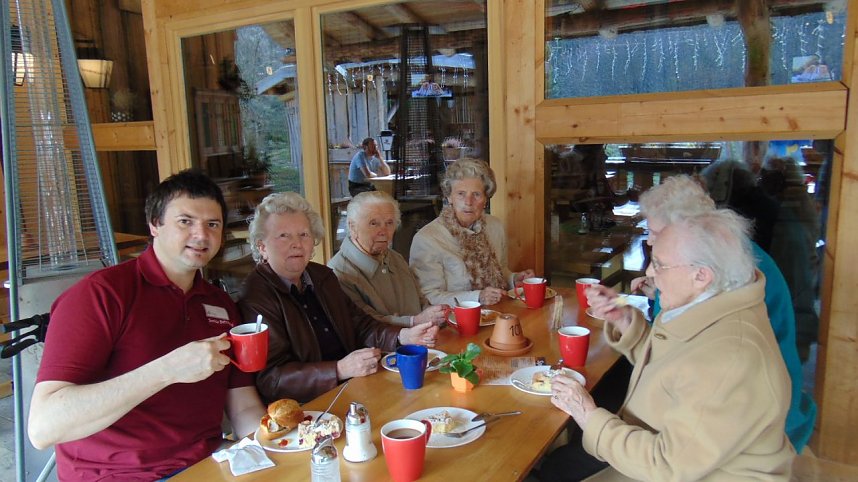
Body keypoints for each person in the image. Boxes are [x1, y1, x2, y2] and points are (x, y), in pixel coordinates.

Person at [28, 170, 265, 481]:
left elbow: (243, 405)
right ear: (155, 224)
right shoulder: (101, 295)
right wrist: (167, 370)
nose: (201, 235)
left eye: (213, 224)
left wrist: (274, 443)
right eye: (185, 221)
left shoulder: (221, 304)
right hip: (118, 474)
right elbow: (43, 427)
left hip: (207, 464)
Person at [542, 210, 795, 481]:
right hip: (659, 444)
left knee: (557, 464)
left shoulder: (730, 358)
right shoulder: (710, 304)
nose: (650, 272)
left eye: (660, 264)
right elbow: (674, 366)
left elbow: (666, 466)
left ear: (701, 275)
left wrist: (587, 413)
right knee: (560, 463)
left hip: (682, 471)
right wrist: (625, 319)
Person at [632, 174, 816, 452]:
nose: (648, 241)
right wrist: (659, 286)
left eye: (656, 233)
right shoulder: (720, 256)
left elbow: (673, 347)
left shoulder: (729, 271)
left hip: (751, 415)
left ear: (688, 230)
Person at [238, 192, 439, 403]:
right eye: (284, 236)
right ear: (262, 247)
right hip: (309, 407)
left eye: (304, 234)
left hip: (354, 387)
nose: (297, 244)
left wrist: (403, 336)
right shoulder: (256, 295)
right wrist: (338, 369)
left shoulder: (320, 276)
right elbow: (271, 379)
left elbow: (361, 326)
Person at [409, 158, 535, 306]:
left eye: (476, 194)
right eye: (461, 194)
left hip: (497, 313)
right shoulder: (427, 239)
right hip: (453, 322)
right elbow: (428, 297)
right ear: (449, 197)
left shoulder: (494, 226)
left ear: (486, 199)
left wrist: (514, 279)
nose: (468, 202)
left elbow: (500, 271)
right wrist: (478, 297)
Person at [328, 191, 449, 327]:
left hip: (423, 340)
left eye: (389, 223)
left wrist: (434, 314)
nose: (383, 231)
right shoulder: (338, 273)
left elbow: (421, 301)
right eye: (374, 223)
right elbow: (365, 324)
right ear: (352, 227)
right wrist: (415, 321)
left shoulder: (395, 257)